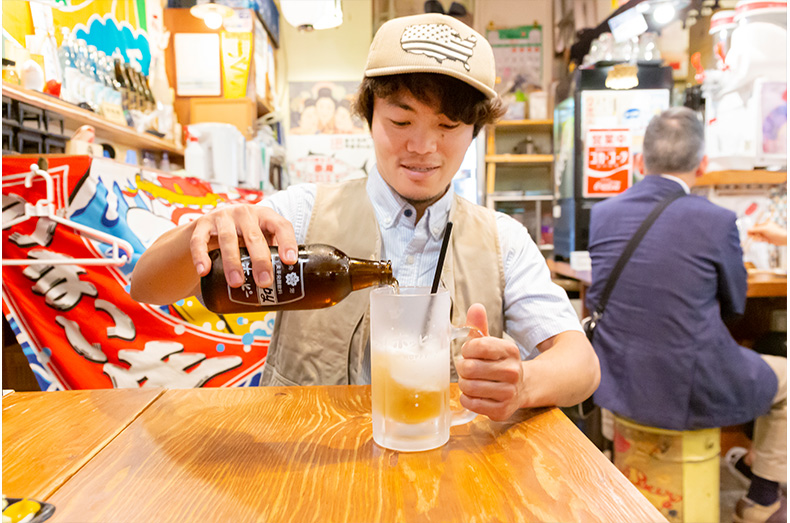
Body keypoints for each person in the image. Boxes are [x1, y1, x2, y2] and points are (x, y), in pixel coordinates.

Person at [131, 13, 600, 422]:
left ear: (474, 132)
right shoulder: (301, 213)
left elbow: (581, 365)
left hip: (451, 473)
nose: (422, 147)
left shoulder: (503, 241)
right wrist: (204, 230)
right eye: (401, 121)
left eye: (448, 126)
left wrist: (523, 383)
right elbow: (147, 287)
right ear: (369, 115)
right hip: (307, 470)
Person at [586, 107, 787, 523]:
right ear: (703, 164)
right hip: (687, 382)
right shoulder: (717, 220)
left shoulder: (603, 215)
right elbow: (734, 305)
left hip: (618, 377)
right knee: (787, 380)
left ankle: (615, 478)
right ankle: (761, 498)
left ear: (640, 163)